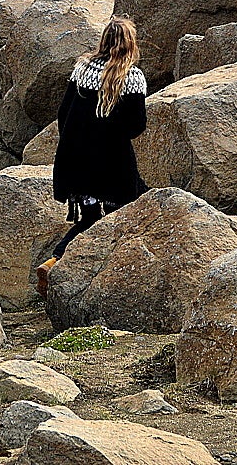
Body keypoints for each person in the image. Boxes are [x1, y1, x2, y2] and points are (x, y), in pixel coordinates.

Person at [35, 15, 149, 298]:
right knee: (120, 218)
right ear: (130, 45)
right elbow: (136, 127)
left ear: (104, 40)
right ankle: (112, 286)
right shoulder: (132, 77)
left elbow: (63, 114)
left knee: (88, 220)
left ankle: (54, 261)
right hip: (112, 168)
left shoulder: (82, 68)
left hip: (75, 163)